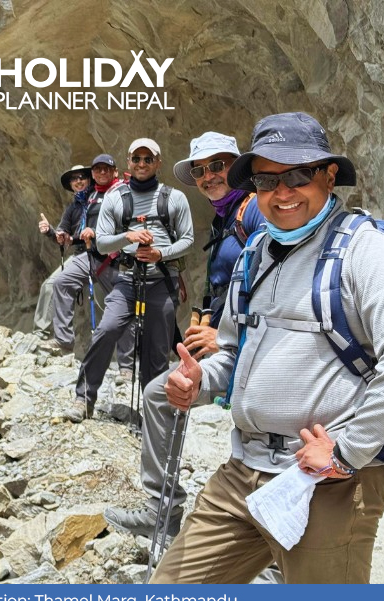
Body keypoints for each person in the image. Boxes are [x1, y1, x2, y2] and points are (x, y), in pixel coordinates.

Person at [150, 112, 384, 584]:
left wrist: (345, 451)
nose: (282, 193)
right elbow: (231, 354)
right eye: (267, 179)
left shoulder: (363, 249)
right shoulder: (255, 252)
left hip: (330, 483)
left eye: (298, 175)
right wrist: (201, 382)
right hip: (245, 471)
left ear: (327, 176)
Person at [104, 132, 264, 537]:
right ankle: (166, 510)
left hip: (258, 353)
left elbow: (279, 294)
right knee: (163, 393)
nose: (209, 176)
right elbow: (228, 284)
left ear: (239, 165)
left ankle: (259, 540)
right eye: (200, 170)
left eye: (218, 165)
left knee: (162, 395)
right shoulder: (229, 216)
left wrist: (231, 336)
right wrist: (206, 317)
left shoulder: (258, 212)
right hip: (235, 347)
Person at [66, 138, 194, 422]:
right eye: (137, 159)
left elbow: (188, 240)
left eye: (149, 159)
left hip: (161, 280)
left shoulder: (174, 198)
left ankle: (153, 412)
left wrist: (161, 253)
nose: (142, 164)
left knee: (157, 351)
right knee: (107, 329)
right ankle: (83, 399)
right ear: (128, 162)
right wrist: (129, 237)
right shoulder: (115, 197)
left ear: (158, 162)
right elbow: (102, 244)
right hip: (127, 278)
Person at [49, 154, 135, 372]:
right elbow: (73, 227)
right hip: (91, 255)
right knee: (62, 282)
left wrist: (97, 233)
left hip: (115, 259)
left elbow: (128, 224)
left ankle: (127, 365)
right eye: (97, 169)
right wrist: (59, 235)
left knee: (122, 309)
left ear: (115, 171)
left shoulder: (124, 193)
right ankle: (63, 341)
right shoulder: (90, 196)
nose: (102, 172)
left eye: (107, 169)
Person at [32, 165, 92, 343]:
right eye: (74, 179)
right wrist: (50, 231)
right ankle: (41, 335)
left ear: (90, 179)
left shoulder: (100, 200)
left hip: (104, 254)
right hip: (81, 255)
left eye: (82, 177)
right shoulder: (73, 208)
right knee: (49, 285)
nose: (78, 181)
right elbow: (62, 235)